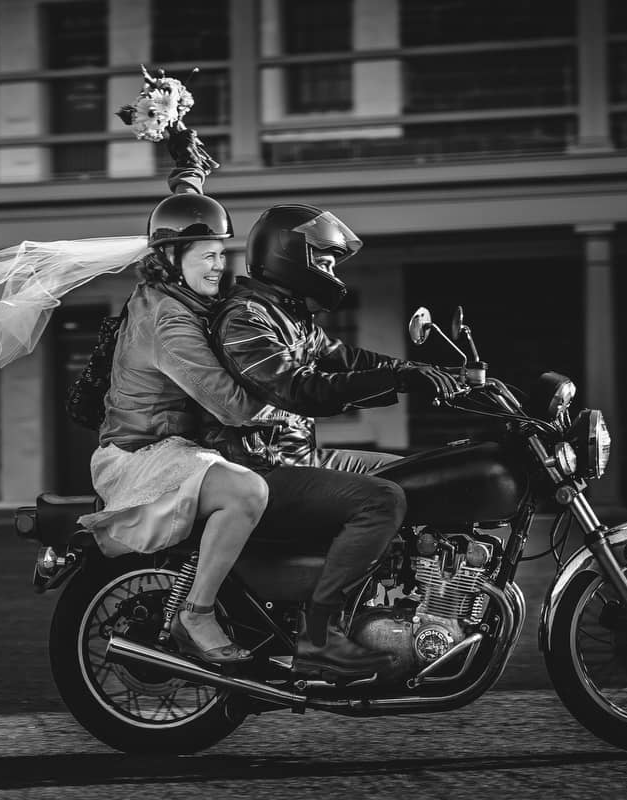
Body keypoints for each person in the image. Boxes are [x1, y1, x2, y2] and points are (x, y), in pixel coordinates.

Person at [202, 203, 462, 680]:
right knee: (381, 501)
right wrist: (403, 381)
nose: (329, 271)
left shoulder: (291, 316)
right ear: (290, 256)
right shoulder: (244, 319)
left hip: (297, 457)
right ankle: (319, 636)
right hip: (257, 471)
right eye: (322, 260)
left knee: (409, 475)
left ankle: (391, 600)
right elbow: (300, 389)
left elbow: (349, 358)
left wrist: (434, 373)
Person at [76, 128, 284, 666]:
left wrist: (189, 174)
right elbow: (232, 406)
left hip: (170, 445)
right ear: (173, 258)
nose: (220, 265)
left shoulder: (168, 289)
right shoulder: (169, 323)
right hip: (141, 457)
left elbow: (180, 218)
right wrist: (297, 397)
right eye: (208, 255)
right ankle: (196, 612)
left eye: (221, 253)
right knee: (247, 494)